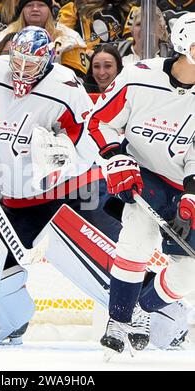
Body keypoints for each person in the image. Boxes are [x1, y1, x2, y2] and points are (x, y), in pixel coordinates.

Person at [0, 25, 122, 344]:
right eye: (18, 60)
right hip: (14, 196)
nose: (22, 69)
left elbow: (89, 139)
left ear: (47, 61)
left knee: (112, 257)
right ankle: (11, 319)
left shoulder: (66, 87)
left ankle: (149, 312)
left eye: (31, 63)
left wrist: (60, 155)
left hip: (70, 195)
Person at [87, 12, 195, 357]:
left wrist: (192, 190)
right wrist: (115, 156)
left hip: (183, 181)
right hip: (142, 168)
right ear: (184, 44)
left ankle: (142, 308)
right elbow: (99, 122)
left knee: (189, 274)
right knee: (138, 236)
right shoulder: (138, 76)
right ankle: (117, 319)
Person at [0, 0, 88, 79]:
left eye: (41, 5)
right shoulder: (2, 38)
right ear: (22, 10)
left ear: (50, 10)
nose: (35, 9)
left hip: (54, 92)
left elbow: (73, 79)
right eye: (29, 5)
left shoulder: (70, 38)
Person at [57, 0, 133, 57]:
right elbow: (62, 41)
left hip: (117, 61)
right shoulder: (72, 8)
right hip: (83, 62)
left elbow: (130, 42)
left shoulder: (127, 9)